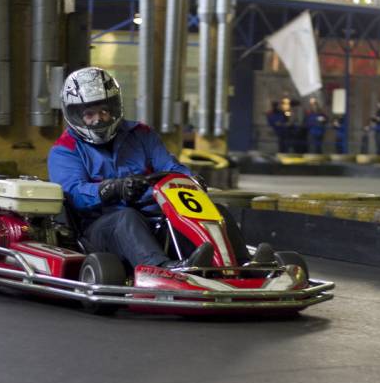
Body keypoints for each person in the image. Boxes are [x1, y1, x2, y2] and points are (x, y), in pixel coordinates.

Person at [47, 66, 259, 270]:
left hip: (153, 216)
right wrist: (113, 189)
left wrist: (190, 179)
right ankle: (161, 268)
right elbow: (74, 193)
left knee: (216, 211)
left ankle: (241, 264)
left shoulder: (141, 134)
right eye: (89, 114)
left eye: (104, 111)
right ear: (76, 115)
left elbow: (169, 166)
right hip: (100, 228)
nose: (99, 119)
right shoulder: (65, 150)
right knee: (127, 218)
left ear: (114, 108)